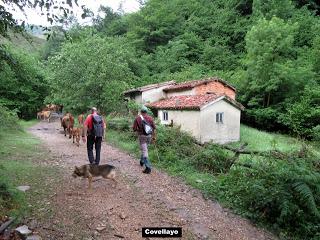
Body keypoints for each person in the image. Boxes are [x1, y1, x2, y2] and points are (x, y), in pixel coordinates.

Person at [133, 106, 156, 174]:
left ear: (141, 112)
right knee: (145, 149)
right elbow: (154, 128)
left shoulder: (137, 118)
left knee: (144, 150)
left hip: (142, 136)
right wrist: (154, 137)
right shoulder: (150, 118)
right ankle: (142, 161)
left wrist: (138, 130)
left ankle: (148, 167)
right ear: (146, 112)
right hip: (149, 136)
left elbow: (134, 129)